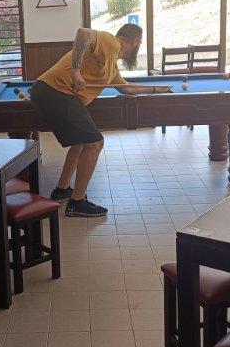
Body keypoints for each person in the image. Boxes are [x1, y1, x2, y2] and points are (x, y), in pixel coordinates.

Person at [30, 24, 171, 218]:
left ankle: (62, 190)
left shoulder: (111, 65)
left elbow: (126, 88)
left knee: (81, 143)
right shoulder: (112, 43)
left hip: (50, 91)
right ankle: (77, 202)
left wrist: (155, 90)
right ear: (136, 41)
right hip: (55, 91)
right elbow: (83, 33)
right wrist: (75, 71)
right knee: (95, 143)